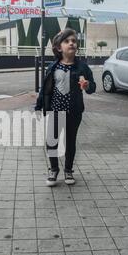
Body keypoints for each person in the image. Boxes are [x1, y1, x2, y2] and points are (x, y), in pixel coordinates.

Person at [35, 28, 96, 187]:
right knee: (52, 141)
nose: (71, 43)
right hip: (55, 111)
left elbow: (92, 88)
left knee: (70, 142)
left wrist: (87, 85)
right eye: (67, 41)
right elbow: (45, 89)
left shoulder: (82, 68)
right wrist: (38, 105)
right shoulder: (53, 67)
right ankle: (54, 169)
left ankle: (68, 170)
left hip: (74, 111)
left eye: (74, 41)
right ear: (58, 47)